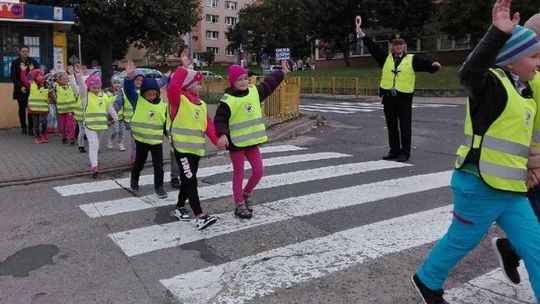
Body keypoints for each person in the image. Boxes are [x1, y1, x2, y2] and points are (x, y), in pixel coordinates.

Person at [411, 1, 540, 303]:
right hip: (479, 186)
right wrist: (497, 33)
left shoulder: (525, 93)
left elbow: (519, 142)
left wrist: (531, 168)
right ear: (511, 60)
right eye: (534, 56)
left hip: (510, 191)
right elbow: (469, 72)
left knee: (535, 246)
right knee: (461, 240)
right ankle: (427, 280)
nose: (539, 62)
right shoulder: (491, 87)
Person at [490, 12, 540, 286]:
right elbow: (526, 128)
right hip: (532, 169)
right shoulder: (528, 81)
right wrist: (533, 165)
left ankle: (510, 249)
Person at [213, 61, 289, 219]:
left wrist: (282, 73)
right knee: (239, 173)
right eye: (239, 79)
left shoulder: (254, 91)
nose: (244, 82)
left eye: (246, 78)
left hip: (252, 141)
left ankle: (246, 194)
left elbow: (269, 83)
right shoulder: (227, 100)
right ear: (232, 81)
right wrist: (222, 135)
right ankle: (238, 203)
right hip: (236, 144)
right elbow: (219, 120)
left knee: (259, 171)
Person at [356, 26, 441, 162]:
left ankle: (405, 153)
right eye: (396, 44)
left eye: (401, 44)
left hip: (404, 99)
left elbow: (425, 64)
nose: (399, 46)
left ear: (404, 46)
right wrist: (363, 35)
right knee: (392, 127)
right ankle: (394, 150)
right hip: (389, 98)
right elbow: (373, 48)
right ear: (392, 47)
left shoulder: (411, 59)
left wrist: (433, 65)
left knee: (405, 126)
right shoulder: (386, 59)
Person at [167, 66, 220, 230]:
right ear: (188, 84)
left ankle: (179, 207)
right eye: (197, 83)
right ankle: (199, 215)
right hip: (181, 149)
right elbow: (173, 87)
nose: (200, 87)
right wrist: (184, 69)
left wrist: (217, 140)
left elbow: (208, 125)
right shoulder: (178, 99)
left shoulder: (202, 104)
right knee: (191, 180)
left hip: (196, 151)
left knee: (187, 180)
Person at [124, 60, 168, 198]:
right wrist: (129, 77)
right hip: (141, 140)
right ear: (143, 93)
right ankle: (134, 179)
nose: (151, 97)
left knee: (159, 166)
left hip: (156, 142)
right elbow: (128, 89)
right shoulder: (137, 100)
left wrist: (170, 136)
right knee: (139, 163)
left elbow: (165, 122)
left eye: (154, 94)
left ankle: (159, 187)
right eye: (148, 94)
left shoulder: (162, 105)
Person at [75, 66, 118, 178]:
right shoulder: (85, 96)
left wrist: (115, 118)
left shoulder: (104, 96)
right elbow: (81, 86)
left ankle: (95, 160)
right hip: (89, 125)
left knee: (97, 145)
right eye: (94, 87)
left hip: (101, 125)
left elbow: (110, 107)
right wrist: (79, 75)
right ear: (89, 87)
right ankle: (94, 166)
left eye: (98, 87)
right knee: (93, 145)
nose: (96, 89)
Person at [10, 45, 39, 135]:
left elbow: (38, 73)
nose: (25, 53)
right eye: (23, 51)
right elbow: (13, 77)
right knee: (22, 109)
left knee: (31, 108)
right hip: (20, 89)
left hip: (32, 89)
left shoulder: (33, 61)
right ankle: (23, 126)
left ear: (28, 52)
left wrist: (34, 86)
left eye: (26, 51)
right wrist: (21, 87)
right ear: (20, 52)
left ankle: (31, 128)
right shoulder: (15, 62)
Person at [21, 65, 49, 144]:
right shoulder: (31, 84)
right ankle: (38, 136)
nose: (40, 77)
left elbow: (49, 94)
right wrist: (23, 71)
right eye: (37, 76)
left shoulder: (46, 84)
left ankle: (44, 134)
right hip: (34, 108)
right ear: (35, 77)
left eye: (41, 75)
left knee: (44, 122)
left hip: (44, 108)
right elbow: (24, 80)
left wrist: (55, 100)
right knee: (36, 123)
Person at [50, 68, 78, 145]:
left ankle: (72, 138)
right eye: (63, 78)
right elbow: (49, 83)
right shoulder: (57, 87)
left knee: (70, 124)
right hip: (61, 111)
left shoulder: (71, 86)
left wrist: (71, 74)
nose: (65, 80)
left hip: (70, 110)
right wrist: (52, 75)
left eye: (66, 78)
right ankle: (63, 137)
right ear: (59, 79)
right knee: (63, 125)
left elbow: (74, 83)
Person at [107, 75, 127, 151]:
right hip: (113, 116)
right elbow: (107, 103)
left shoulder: (123, 92)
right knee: (116, 130)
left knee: (122, 131)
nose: (117, 84)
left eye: (118, 83)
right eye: (115, 83)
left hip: (122, 115)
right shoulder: (109, 93)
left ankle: (120, 144)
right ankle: (111, 139)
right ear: (112, 84)